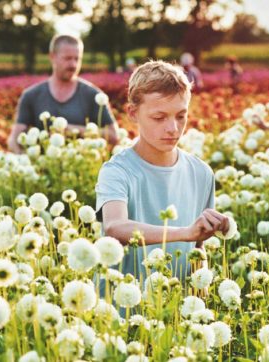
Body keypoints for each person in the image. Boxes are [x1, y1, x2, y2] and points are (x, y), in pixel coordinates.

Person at [95, 60, 230, 282]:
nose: (172, 128)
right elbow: (114, 226)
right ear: (133, 113)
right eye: (159, 118)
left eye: (180, 116)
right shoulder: (117, 171)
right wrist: (185, 233)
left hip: (175, 309)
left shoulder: (201, 173)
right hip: (121, 309)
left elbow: (198, 247)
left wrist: (200, 297)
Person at [7, 34, 119, 153]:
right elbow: (13, 140)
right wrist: (25, 160)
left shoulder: (93, 95)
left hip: (82, 167)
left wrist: (73, 130)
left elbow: (113, 135)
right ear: (52, 57)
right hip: (43, 167)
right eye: (67, 58)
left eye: (77, 59)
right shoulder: (31, 95)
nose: (73, 65)